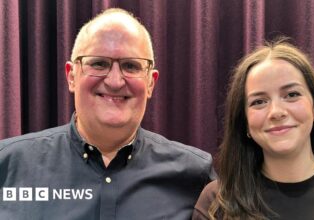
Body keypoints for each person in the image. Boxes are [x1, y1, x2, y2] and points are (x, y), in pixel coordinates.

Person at [0, 8, 215, 220]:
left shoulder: (197, 177)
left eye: (131, 66)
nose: (115, 81)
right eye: (98, 63)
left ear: (151, 82)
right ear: (71, 76)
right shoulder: (8, 165)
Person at [192, 39, 314, 220]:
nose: (277, 112)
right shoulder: (216, 203)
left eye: (291, 95)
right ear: (245, 123)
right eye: (259, 101)